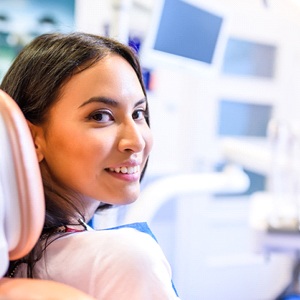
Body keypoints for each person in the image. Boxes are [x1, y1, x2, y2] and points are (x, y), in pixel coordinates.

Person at [1, 32, 179, 299]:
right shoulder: (124, 259)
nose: (136, 141)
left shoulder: (19, 265)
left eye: (138, 114)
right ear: (32, 138)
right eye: (101, 116)